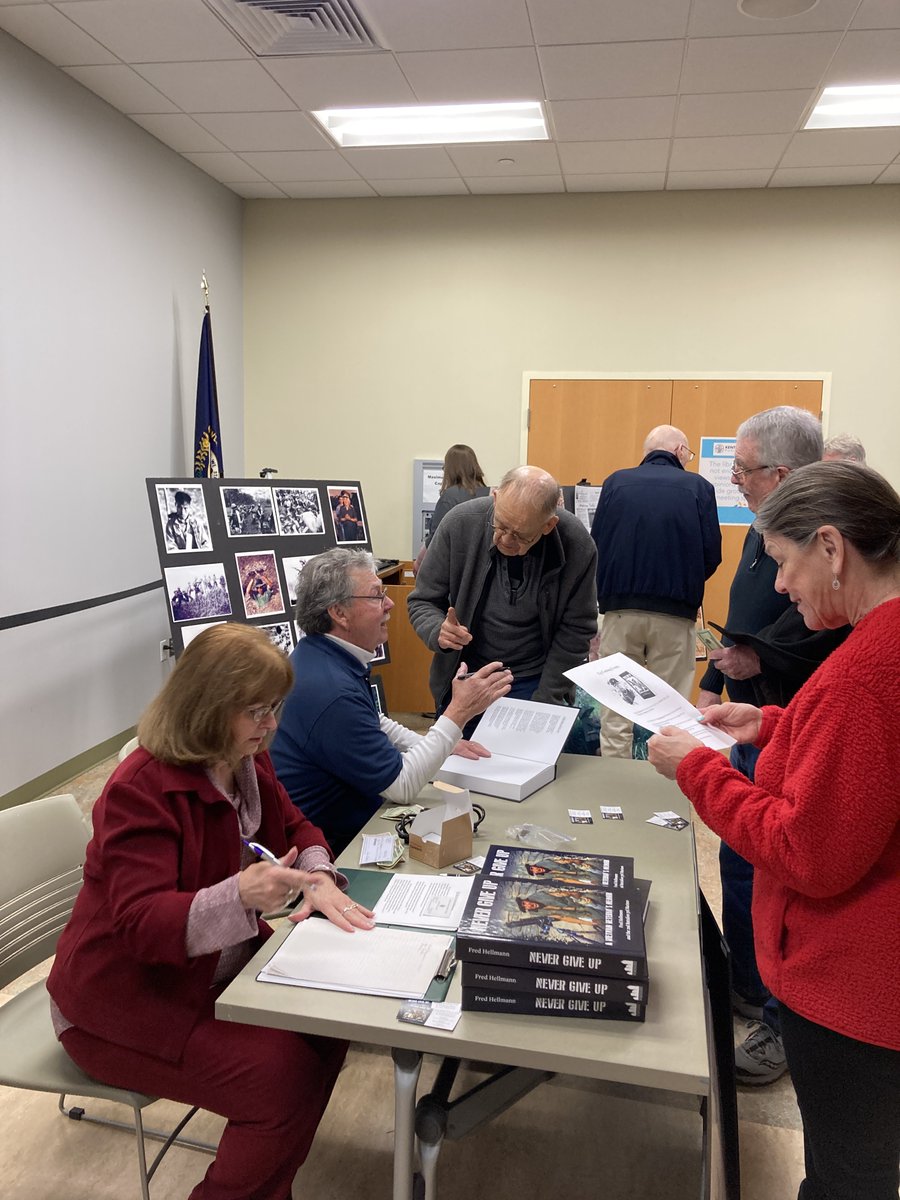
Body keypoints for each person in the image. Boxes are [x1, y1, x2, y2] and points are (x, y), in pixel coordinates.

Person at [47, 623, 375, 1200]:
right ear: (206, 707)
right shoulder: (138, 789)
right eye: (257, 711)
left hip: (206, 975)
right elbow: (143, 926)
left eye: (275, 708)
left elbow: (293, 825)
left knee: (329, 1030)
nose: (271, 725)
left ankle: (267, 1186)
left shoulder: (244, 757)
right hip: (118, 999)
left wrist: (319, 875)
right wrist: (241, 896)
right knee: (279, 1080)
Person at [648, 460, 900, 1200]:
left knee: (843, 1179)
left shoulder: (866, 668)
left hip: (853, 986)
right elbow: (864, 761)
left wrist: (698, 771)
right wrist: (773, 723)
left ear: (831, 547)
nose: (781, 586)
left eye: (785, 564)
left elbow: (806, 851)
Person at [698, 405, 832, 1084]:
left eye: (743, 470)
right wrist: (714, 679)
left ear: (779, 474)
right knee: (741, 864)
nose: (735, 479)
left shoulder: (823, 533)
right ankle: (748, 984)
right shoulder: (764, 522)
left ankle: (779, 1021)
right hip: (757, 719)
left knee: (779, 873)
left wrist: (762, 659)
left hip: (795, 725)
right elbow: (746, 616)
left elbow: (815, 634)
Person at [270, 548, 513, 855]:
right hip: (337, 851)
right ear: (339, 613)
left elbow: (371, 719)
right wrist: (458, 714)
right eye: (375, 596)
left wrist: (438, 741)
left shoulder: (317, 656)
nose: (389, 603)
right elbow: (403, 786)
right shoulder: (331, 691)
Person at [407, 465, 598, 725]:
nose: (506, 540)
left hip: (536, 681)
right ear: (496, 497)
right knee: (458, 762)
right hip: (467, 678)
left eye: (520, 535)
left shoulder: (576, 543)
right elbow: (423, 600)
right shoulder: (459, 524)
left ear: (548, 525)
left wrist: (546, 699)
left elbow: (577, 630)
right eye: (501, 526)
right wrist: (437, 630)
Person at [590, 425, 721, 757]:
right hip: (675, 613)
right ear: (678, 450)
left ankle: (613, 784)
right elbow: (712, 554)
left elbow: (597, 544)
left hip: (619, 610)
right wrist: (684, 579)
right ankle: (663, 789)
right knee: (671, 709)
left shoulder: (615, 482)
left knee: (616, 709)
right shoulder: (700, 488)